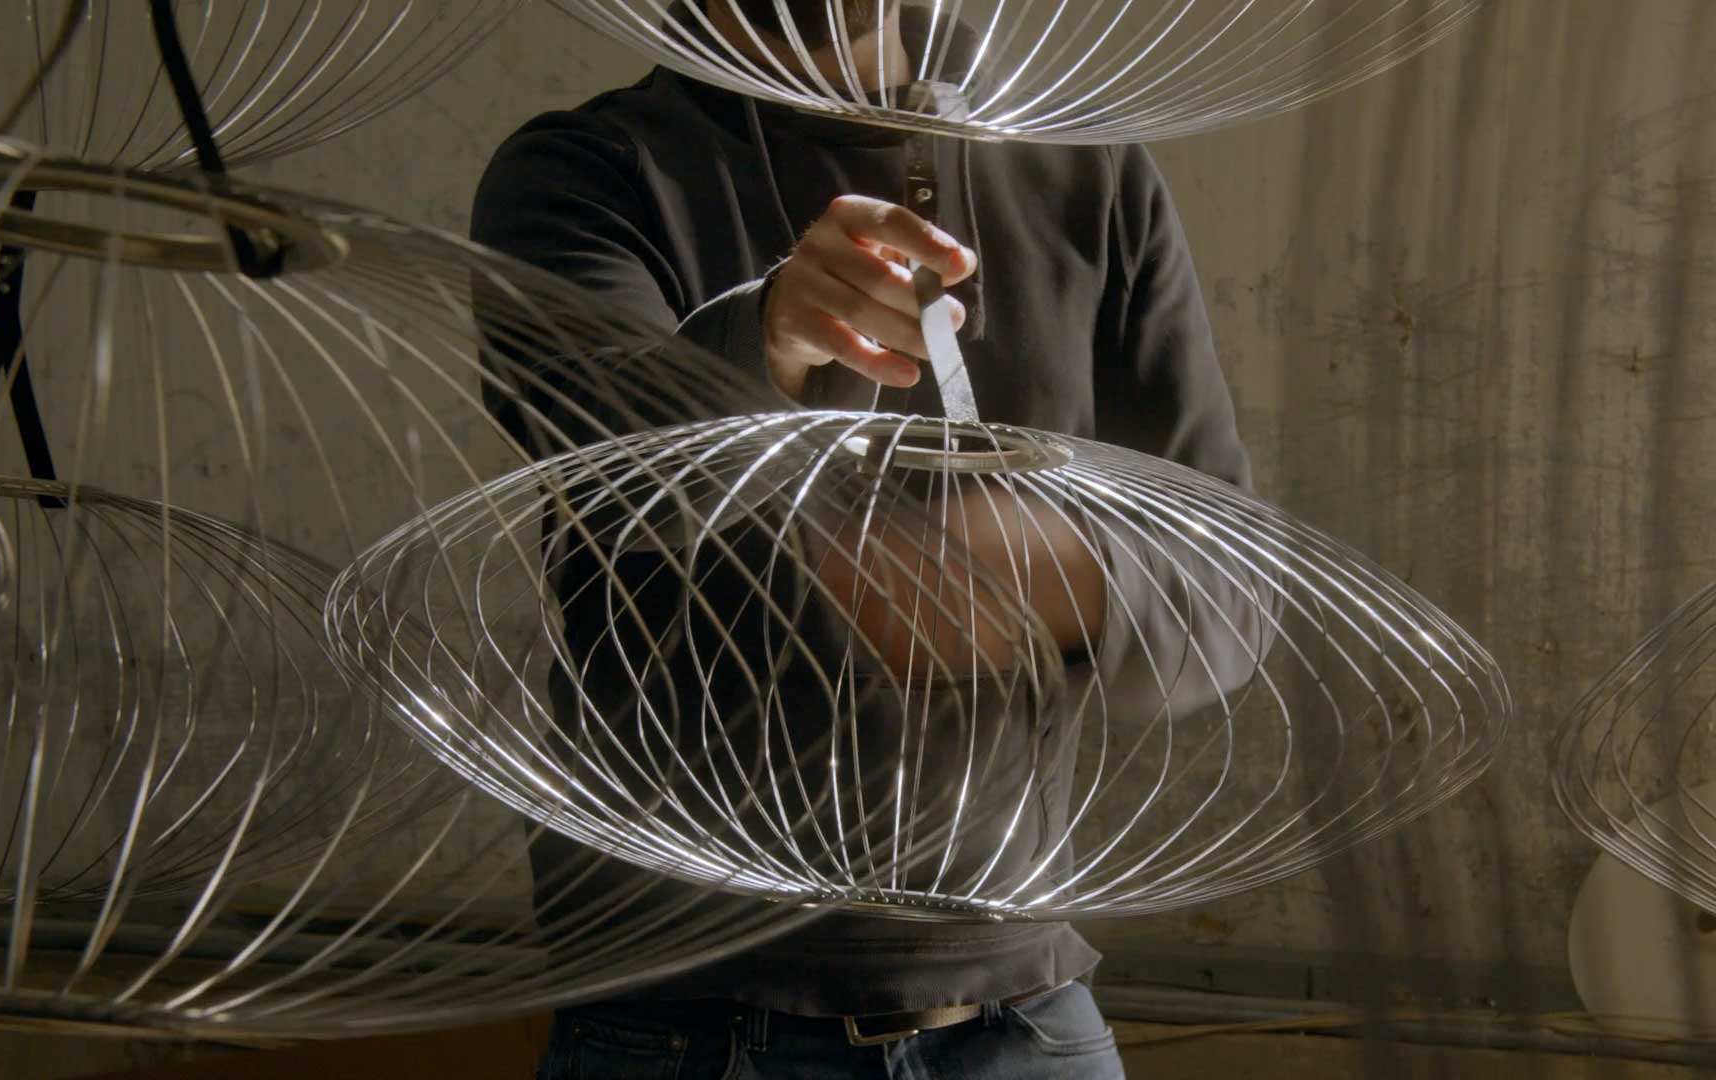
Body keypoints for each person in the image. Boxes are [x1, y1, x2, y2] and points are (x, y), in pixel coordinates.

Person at [472, 2, 1254, 1076]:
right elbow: (617, 488)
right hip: (684, 1022)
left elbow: (1227, 584)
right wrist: (775, 338)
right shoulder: (583, 175)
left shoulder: (1088, 171)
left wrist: (1066, 574)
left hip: (1020, 1010)